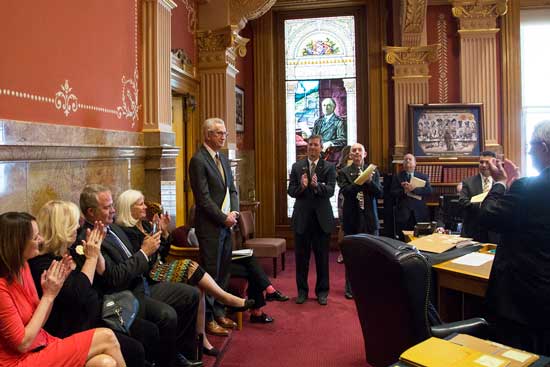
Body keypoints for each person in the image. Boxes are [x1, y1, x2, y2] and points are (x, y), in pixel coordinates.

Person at [115, 189, 253, 353]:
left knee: (199, 287)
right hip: (150, 276)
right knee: (189, 265)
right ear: (128, 208)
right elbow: (144, 263)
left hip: (159, 268)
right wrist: (149, 248)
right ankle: (226, 298)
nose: (145, 207)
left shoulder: (145, 225)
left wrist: (164, 233)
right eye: (140, 204)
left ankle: (202, 339)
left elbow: (163, 253)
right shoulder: (128, 232)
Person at [78, 184, 202, 367]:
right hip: (124, 295)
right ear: (90, 212)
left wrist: (156, 242)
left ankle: (181, 353)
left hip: (142, 283)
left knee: (192, 294)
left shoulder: (114, 228)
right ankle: (168, 362)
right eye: (107, 207)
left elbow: (141, 261)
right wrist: (144, 252)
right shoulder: (89, 238)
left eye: (112, 205)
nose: (113, 210)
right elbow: (114, 278)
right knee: (167, 316)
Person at [29, 200, 160, 367]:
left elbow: (103, 273)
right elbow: (78, 295)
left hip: (99, 312)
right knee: (135, 349)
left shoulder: (71, 249)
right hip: (74, 326)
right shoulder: (42, 263)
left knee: (149, 331)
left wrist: (96, 255)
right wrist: (91, 258)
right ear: (62, 228)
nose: (78, 227)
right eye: (74, 223)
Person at [0, 211, 126, 367]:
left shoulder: (23, 266)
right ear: (17, 244)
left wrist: (50, 292)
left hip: (41, 342)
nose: (41, 240)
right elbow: (22, 344)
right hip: (18, 360)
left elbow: (38, 320)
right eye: (35, 237)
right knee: (107, 336)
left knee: (105, 363)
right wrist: (49, 296)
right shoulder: (4, 285)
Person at [479, 120, 550, 355]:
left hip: (523, 297)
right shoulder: (526, 186)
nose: (528, 151)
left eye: (530, 145)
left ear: (543, 147)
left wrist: (500, 184)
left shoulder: (529, 187)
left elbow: (488, 215)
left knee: (519, 355)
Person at [189, 118, 240, 335]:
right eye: (219, 133)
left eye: (224, 133)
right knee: (211, 273)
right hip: (210, 227)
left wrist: (235, 213)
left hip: (227, 225)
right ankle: (208, 319)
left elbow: (233, 189)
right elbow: (203, 198)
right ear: (208, 135)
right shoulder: (198, 160)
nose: (223, 137)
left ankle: (220, 312)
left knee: (224, 271)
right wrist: (223, 218)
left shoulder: (224, 158)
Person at [288, 135, 336, 305]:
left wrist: (318, 186)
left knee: (322, 259)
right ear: (306, 147)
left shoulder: (329, 167)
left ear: (321, 148)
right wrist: (301, 187)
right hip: (302, 219)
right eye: (310, 145)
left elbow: (331, 190)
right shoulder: (297, 166)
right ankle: (302, 292)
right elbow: (291, 191)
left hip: (322, 219)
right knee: (301, 259)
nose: (312, 147)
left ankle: (322, 292)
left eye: (316, 145)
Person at [337, 143, 382, 299]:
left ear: (365, 154)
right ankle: (351, 288)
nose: (356, 153)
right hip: (352, 219)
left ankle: (371, 287)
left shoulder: (373, 171)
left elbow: (379, 193)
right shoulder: (343, 172)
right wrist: (360, 181)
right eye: (353, 151)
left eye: (359, 150)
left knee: (372, 256)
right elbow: (347, 193)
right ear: (350, 155)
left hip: (370, 219)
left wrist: (369, 181)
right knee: (352, 256)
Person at [458, 151, 499, 243]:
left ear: (494, 163)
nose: (484, 165)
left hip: (494, 232)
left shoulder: (500, 183)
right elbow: (463, 201)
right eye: (481, 162)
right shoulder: (468, 182)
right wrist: (481, 206)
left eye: (487, 162)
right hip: (473, 231)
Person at [390, 153, 432, 240]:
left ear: (415, 163)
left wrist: (414, 189)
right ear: (403, 163)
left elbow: (429, 191)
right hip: (403, 214)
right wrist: (404, 191)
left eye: (410, 159)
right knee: (403, 239)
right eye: (405, 160)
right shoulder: (397, 176)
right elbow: (392, 192)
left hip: (420, 213)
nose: (407, 161)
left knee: (421, 239)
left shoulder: (423, 176)